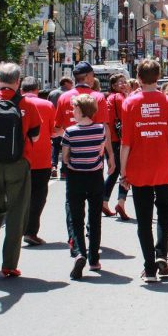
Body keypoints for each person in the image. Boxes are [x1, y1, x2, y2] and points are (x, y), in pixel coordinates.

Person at [120, 59, 168, 282]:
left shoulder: (129, 103)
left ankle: (149, 268)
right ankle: (162, 254)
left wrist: (123, 171)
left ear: (138, 78)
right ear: (158, 77)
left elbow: (125, 143)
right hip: (165, 165)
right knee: (164, 213)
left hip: (139, 167)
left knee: (144, 219)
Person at [0, 63, 41, 277]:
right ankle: (9, 264)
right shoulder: (26, 104)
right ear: (18, 81)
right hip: (18, 163)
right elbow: (35, 136)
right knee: (17, 212)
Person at [55, 62, 112, 248]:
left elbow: (58, 128)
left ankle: (74, 238)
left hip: (71, 158)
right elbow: (104, 128)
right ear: (88, 76)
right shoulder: (97, 97)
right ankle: (92, 241)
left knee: (72, 202)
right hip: (94, 159)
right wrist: (110, 155)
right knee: (94, 203)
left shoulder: (64, 98)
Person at [62, 94, 111, 279]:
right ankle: (94, 258)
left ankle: (80, 253)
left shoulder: (70, 131)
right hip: (95, 177)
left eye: (74, 109)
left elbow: (65, 156)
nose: (73, 112)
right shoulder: (100, 129)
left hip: (76, 177)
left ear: (81, 110)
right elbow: (100, 151)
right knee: (94, 217)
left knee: (76, 218)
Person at [20, 77, 55, 246]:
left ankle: (18, 228)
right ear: (37, 89)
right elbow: (52, 132)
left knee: (20, 196)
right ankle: (31, 231)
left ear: (21, 90)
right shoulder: (47, 105)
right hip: (41, 159)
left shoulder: (16, 103)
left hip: (18, 158)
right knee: (38, 196)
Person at [103, 74, 130, 220]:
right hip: (122, 139)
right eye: (121, 83)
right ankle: (121, 202)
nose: (124, 84)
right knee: (125, 172)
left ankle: (104, 201)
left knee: (114, 172)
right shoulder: (120, 98)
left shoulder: (109, 98)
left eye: (125, 82)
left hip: (111, 139)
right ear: (113, 86)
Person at [48, 77, 73, 178]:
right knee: (65, 147)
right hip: (64, 124)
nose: (72, 85)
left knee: (55, 145)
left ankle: (53, 166)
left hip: (54, 123)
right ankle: (63, 171)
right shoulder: (68, 95)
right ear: (66, 83)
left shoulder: (52, 93)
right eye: (71, 83)